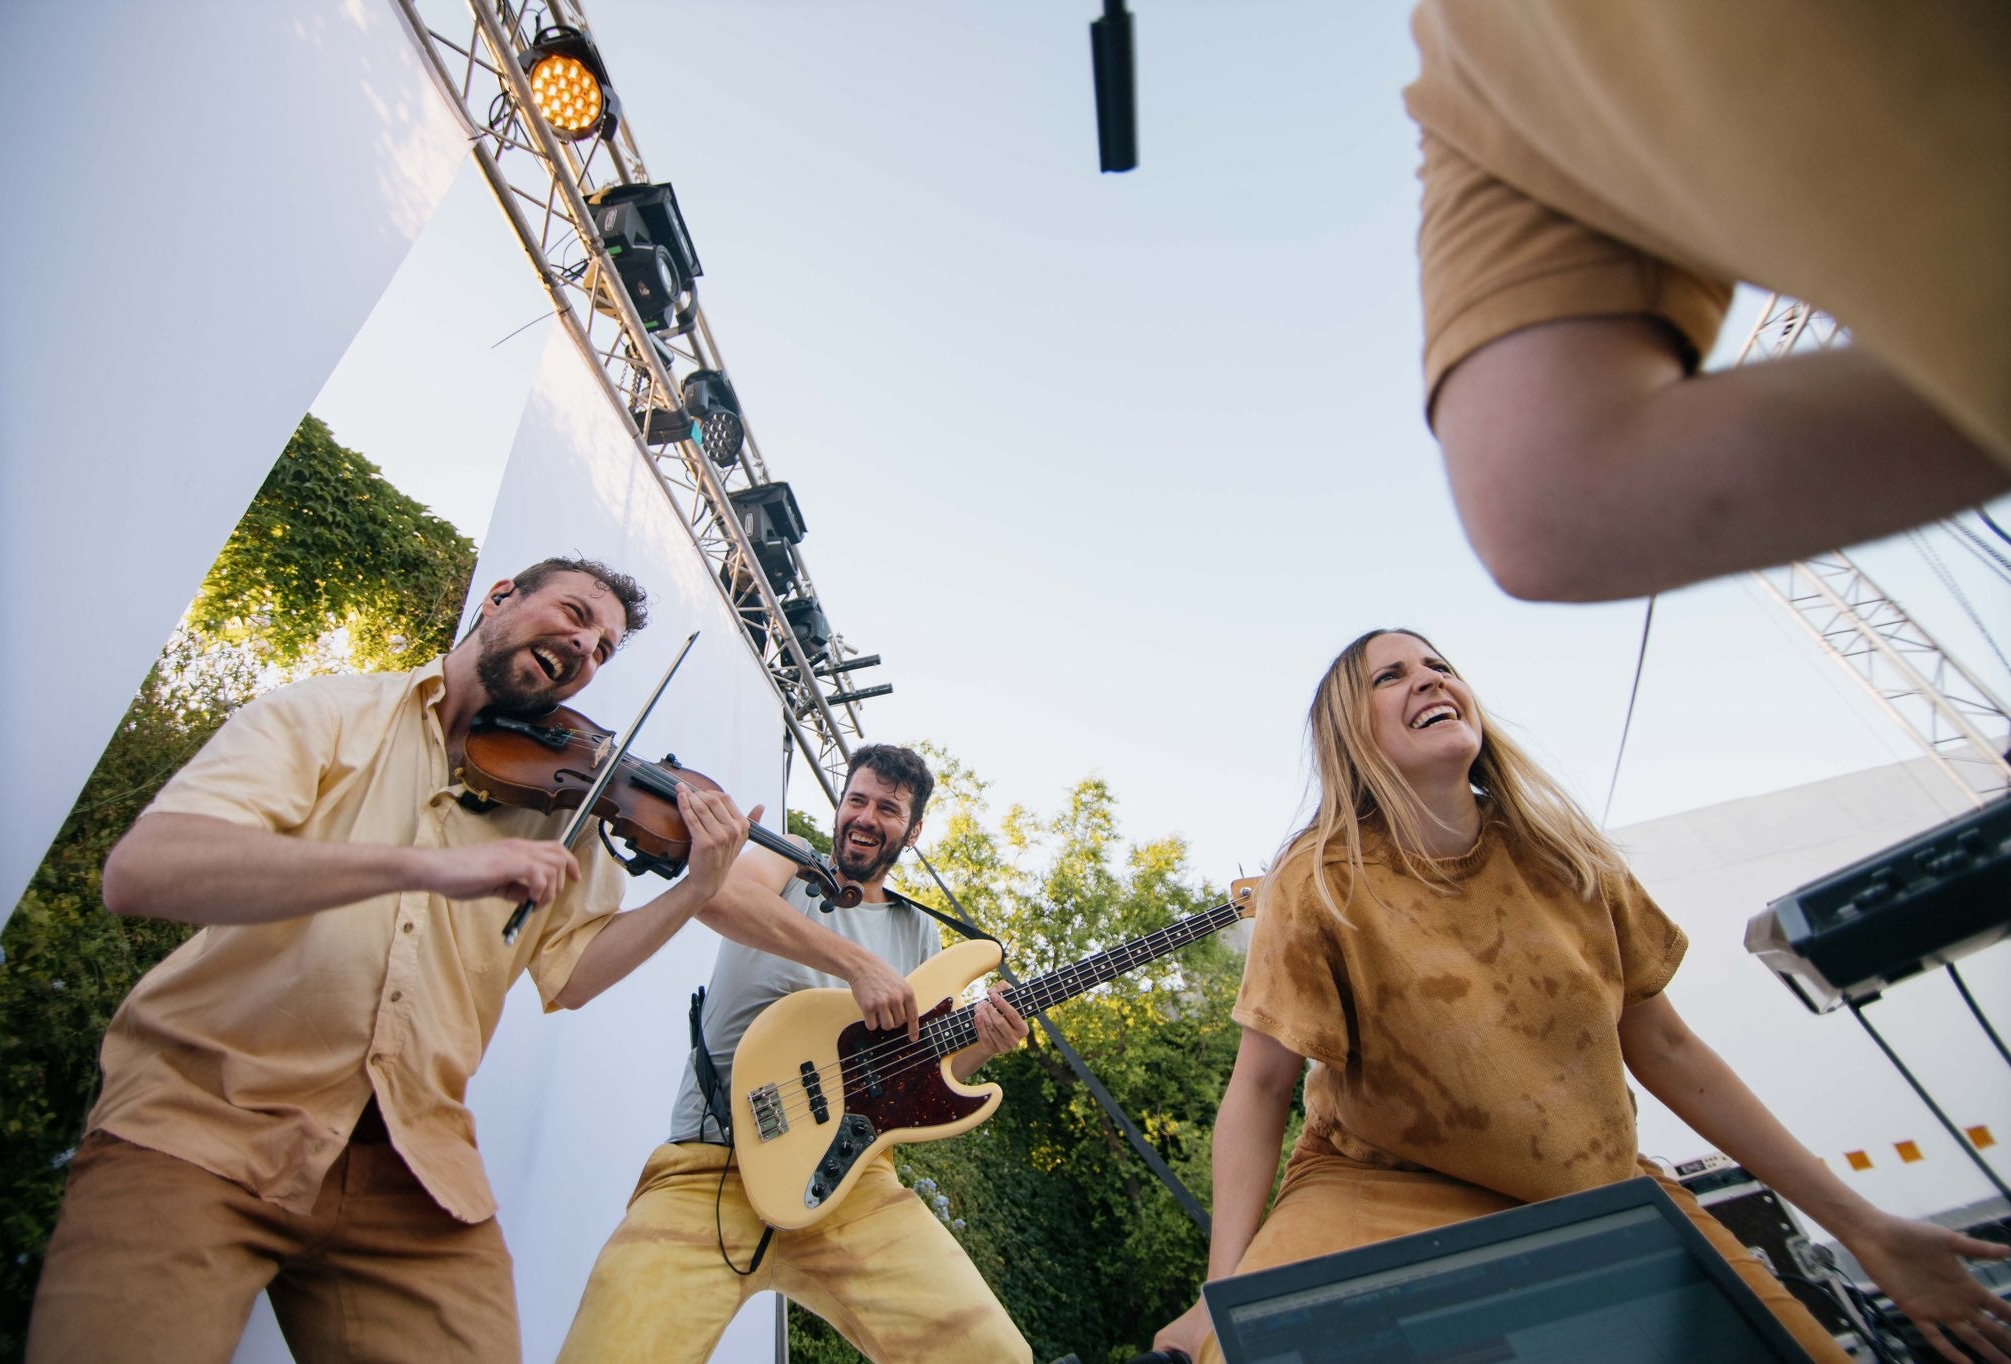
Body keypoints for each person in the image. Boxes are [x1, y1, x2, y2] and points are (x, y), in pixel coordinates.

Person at [1152, 630, 2011, 1364]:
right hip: (1381, 1185)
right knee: (1253, 1346)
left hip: (1590, 1187)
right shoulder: (1320, 881)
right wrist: (1220, 1292)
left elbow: (1669, 1052)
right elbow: (1260, 1090)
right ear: (1350, 734)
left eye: (1440, 665)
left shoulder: (1566, 858)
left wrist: (1864, 1227)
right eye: (1392, 676)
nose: (1431, 679)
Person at [27, 557, 759, 1364]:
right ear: (502, 596)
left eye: (604, 649)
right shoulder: (330, 713)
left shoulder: (565, 809)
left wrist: (696, 890)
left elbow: (574, 974)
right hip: (200, 1122)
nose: (587, 646)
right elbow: (147, 871)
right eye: (577, 614)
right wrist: (422, 865)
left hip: (414, 1168)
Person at [1406, 0, 2010, 602]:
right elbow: (1543, 502)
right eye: (1389, 677)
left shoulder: (1479, 57)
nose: (1430, 680)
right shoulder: (1480, 55)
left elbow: (1545, 503)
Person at [557, 742, 1034, 1363]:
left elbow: (916, 1080)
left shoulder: (921, 933)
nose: (865, 816)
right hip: (711, 1169)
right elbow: (718, 897)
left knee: (991, 1353)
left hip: (852, 1187)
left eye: (887, 809)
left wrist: (982, 1044)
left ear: (912, 831)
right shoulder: (788, 859)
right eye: (856, 799)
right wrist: (857, 966)